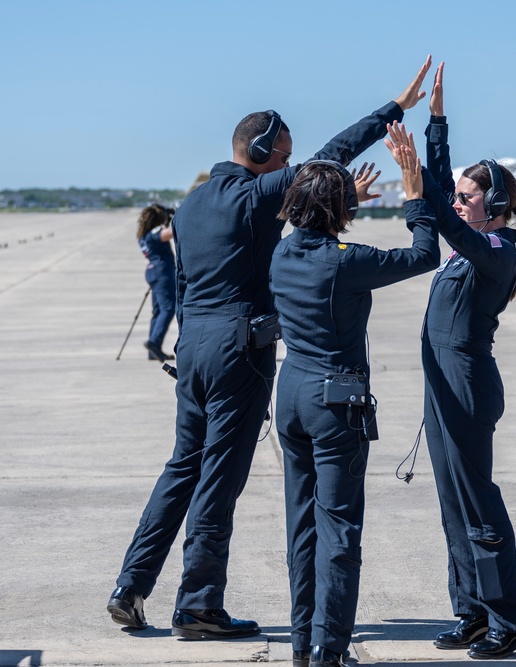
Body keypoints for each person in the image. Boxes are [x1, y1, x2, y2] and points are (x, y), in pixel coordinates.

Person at [106, 57, 433, 640]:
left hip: (194, 346)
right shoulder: (254, 195)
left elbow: (183, 285)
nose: (288, 164)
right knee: (219, 477)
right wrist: (393, 111)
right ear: (258, 150)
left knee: (181, 465)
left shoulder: (192, 205)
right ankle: (199, 605)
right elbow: (330, 157)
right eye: (282, 155)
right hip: (238, 349)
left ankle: (131, 584)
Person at [383, 62, 516, 660]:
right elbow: (446, 196)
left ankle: (511, 617)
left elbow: (443, 212)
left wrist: (417, 182)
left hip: (467, 388)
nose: (458, 201)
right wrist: (436, 121)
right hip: (441, 388)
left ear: (492, 204)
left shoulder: (496, 248)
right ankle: (472, 609)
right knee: (451, 504)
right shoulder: (468, 243)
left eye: (471, 197)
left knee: (477, 502)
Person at [269, 155, 438, 667]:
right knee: (339, 529)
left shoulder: (282, 254)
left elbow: (320, 229)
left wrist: (344, 199)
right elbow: (423, 255)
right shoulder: (346, 259)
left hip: (292, 394)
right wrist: (415, 200)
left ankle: (304, 643)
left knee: (302, 525)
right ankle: (329, 647)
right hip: (333, 403)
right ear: (337, 207)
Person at [136, 203, 177, 362]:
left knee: (158, 310)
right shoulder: (154, 234)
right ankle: (154, 343)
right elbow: (171, 232)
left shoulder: (143, 235)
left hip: (153, 271)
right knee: (168, 308)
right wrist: (176, 218)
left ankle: (153, 349)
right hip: (162, 272)